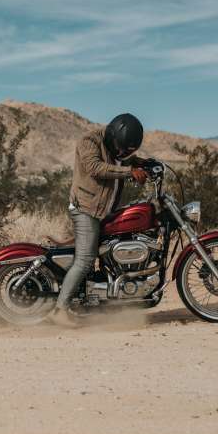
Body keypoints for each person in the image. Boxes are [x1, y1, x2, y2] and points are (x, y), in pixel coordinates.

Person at [54, 113, 149, 311]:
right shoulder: (89, 141)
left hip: (104, 211)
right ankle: (59, 310)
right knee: (85, 260)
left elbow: (121, 160)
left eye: (126, 151)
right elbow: (95, 167)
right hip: (86, 210)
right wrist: (129, 172)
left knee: (108, 251)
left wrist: (142, 162)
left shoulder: (118, 150)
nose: (122, 153)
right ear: (113, 136)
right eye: (121, 149)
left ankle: (103, 299)